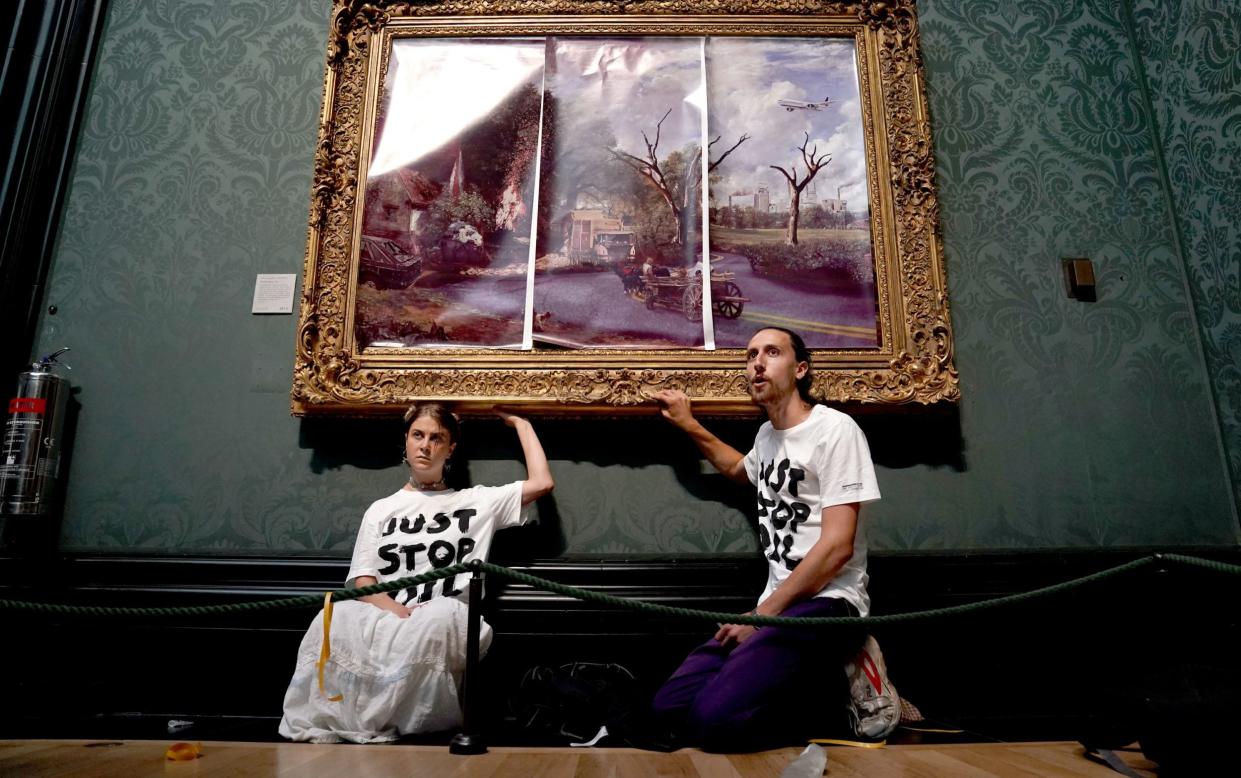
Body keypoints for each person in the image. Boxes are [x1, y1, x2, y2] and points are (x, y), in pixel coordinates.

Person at [650, 326, 898, 751]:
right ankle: (824, 681)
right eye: (750, 356)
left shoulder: (835, 430)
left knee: (712, 724)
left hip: (830, 603)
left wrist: (759, 617)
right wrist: (689, 424)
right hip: (778, 605)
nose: (757, 363)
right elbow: (738, 470)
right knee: (667, 710)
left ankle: (851, 669)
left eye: (772, 352)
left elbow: (838, 546)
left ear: (800, 368)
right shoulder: (767, 437)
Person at [279, 403, 554, 743]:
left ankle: (416, 727)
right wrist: (397, 611)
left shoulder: (478, 502)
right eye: (417, 435)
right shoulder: (381, 510)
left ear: (450, 449)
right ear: (406, 442)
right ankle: (353, 720)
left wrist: (520, 423)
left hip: (444, 615)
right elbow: (364, 581)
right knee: (335, 615)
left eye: (436, 438)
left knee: (437, 618)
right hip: (387, 613)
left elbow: (542, 483)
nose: (425, 445)